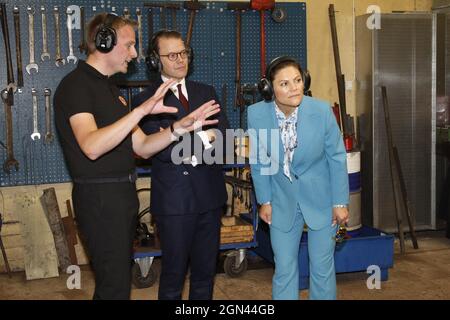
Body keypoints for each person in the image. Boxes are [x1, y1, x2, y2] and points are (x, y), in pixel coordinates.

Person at [54, 13, 220, 300]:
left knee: (118, 284)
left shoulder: (110, 89)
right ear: (104, 42)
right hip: (100, 197)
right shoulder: (76, 86)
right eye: (129, 45)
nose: (133, 54)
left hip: (120, 194)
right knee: (113, 287)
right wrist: (140, 112)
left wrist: (177, 129)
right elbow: (91, 146)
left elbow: (142, 146)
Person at [132, 30, 229, 300]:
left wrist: (186, 140)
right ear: (155, 61)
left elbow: (223, 140)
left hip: (210, 199)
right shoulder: (145, 102)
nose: (180, 60)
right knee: (173, 277)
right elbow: (162, 152)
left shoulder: (205, 92)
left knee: (205, 276)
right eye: (171, 55)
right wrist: (202, 138)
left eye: (183, 53)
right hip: (175, 204)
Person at [247, 56, 350, 300]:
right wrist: (265, 200)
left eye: (297, 80)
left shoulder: (321, 111)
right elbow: (260, 160)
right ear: (270, 89)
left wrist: (340, 203)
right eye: (284, 84)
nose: (294, 88)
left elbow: (336, 157)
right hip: (281, 201)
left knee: (322, 267)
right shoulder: (257, 114)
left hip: (322, 200)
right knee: (284, 267)